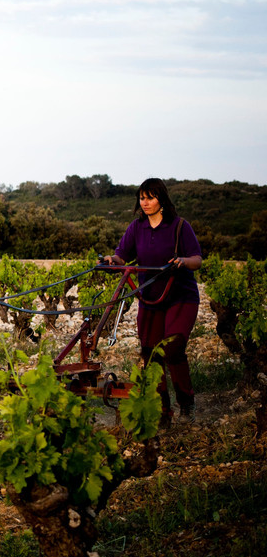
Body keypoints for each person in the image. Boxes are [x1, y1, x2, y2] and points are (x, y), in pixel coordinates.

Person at [104, 178, 202, 426]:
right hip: (150, 298)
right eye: (142, 198)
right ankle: (162, 411)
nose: (145, 202)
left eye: (150, 197)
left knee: (173, 348)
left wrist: (182, 261)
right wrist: (112, 261)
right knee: (150, 353)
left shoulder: (180, 227)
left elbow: (196, 259)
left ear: (162, 200)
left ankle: (186, 404)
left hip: (180, 297)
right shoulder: (137, 228)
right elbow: (121, 255)